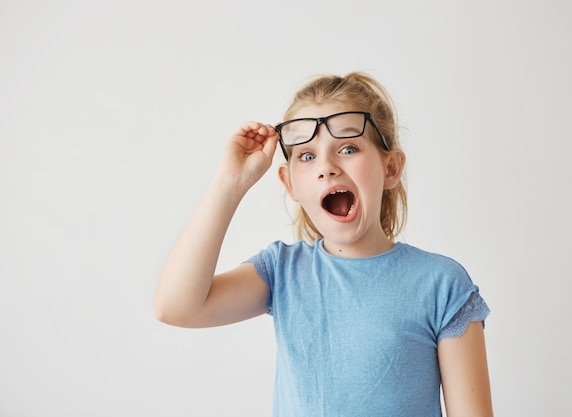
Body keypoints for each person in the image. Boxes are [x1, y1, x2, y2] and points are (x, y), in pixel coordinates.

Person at [154, 72, 493, 417]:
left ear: (390, 167)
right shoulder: (282, 272)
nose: (326, 168)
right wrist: (231, 182)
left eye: (347, 148)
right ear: (290, 184)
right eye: (306, 156)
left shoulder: (442, 284)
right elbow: (175, 306)